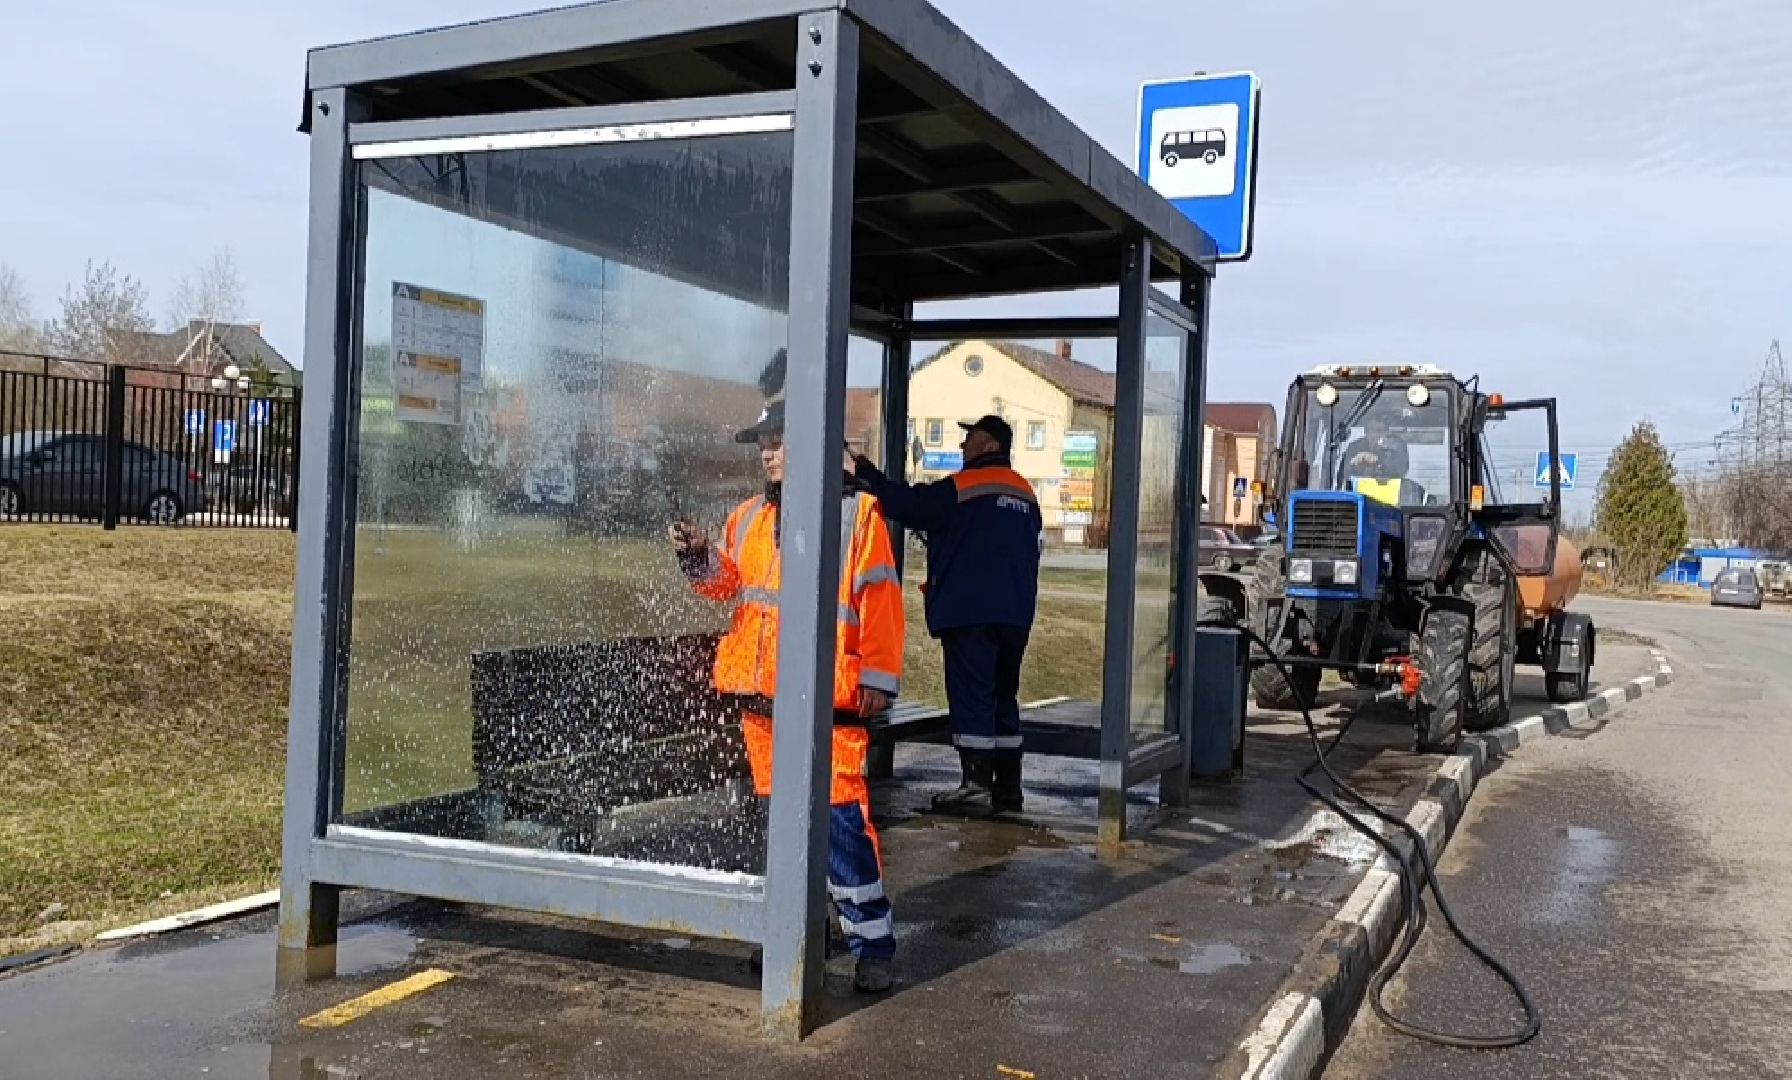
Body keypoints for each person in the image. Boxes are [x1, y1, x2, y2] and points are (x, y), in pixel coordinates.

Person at [668, 359, 905, 995]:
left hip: (831, 703)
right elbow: (727, 588)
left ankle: (872, 943)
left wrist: (880, 677)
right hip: (763, 705)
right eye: (764, 446)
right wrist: (697, 559)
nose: (767, 455)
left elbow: (881, 599)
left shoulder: (858, 518)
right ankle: (798, 929)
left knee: (842, 823)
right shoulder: (747, 518)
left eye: (777, 443)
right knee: (782, 824)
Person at [852, 415, 1041, 814]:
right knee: (1003, 696)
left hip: (971, 611)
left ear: (990, 446)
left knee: (972, 696)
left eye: (970, 438)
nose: (962, 446)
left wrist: (867, 474)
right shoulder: (1025, 493)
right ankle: (1008, 787)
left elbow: (910, 506)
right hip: (1015, 614)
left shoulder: (965, 487)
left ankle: (974, 788)